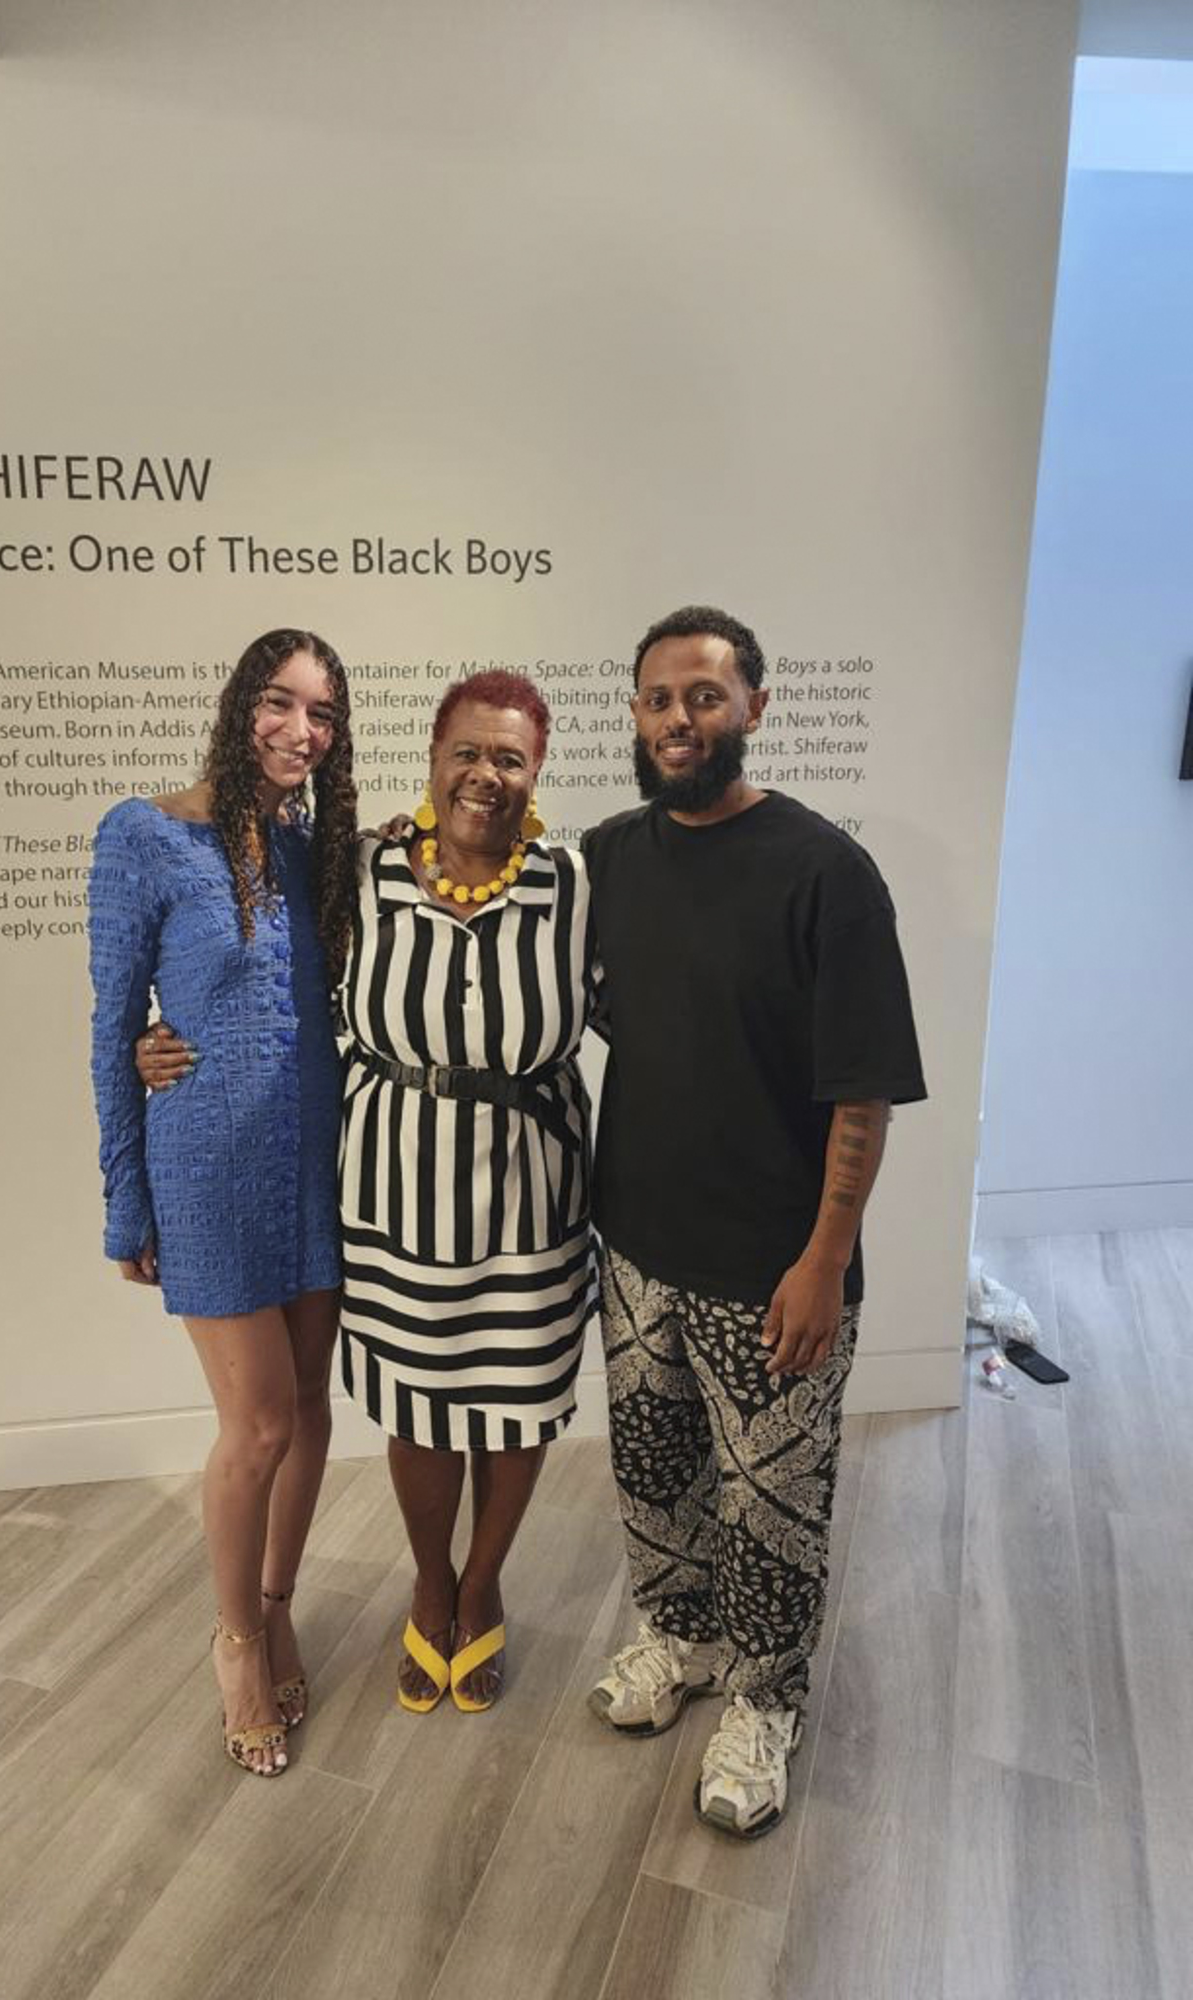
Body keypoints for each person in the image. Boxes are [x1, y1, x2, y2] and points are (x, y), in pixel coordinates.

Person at [139, 671, 597, 1714]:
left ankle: (482, 1591)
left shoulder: (574, 883)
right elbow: (268, 980)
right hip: (394, 1189)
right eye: (468, 752)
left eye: (512, 756)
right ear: (433, 758)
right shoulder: (367, 868)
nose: (488, 773)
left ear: (538, 770)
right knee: (422, 1407)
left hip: (534, 1189)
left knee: (518, 1404)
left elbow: (646, 1006)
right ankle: (428, 1586)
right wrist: (156, 1037)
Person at [584, 604, 926, 1839]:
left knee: (772, 1503)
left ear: (755, 710)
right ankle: (674, 1639)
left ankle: (764, 1702)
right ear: (635, 714)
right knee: (653, 1469)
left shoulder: (825, 871)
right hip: (634, 1247)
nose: (682, 719)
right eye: (661, 698)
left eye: (707, 697)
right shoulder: (608, 855)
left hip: (773, 1266)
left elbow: (864, 1090)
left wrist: (824, 1261)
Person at [88, 627, 357, 1778]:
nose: (302, 730)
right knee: (254, 1428)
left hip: (318, 1164)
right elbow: (113, 1029)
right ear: (239, 702)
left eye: (325, 713)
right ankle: (236, 1638)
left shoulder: (316, 851)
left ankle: (281, 1597)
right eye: (281, 701)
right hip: (205, 1166)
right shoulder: (146, 835)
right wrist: (124, 1202)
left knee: (309, 1409)